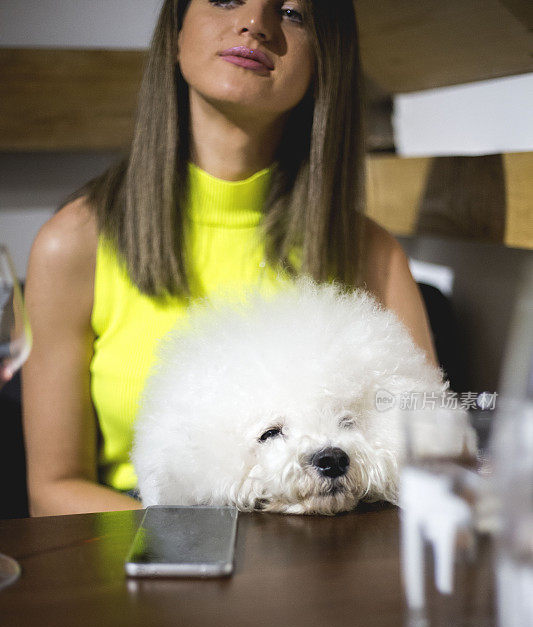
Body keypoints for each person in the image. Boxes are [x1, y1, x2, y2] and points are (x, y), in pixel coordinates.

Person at [23, 0, 437, 517]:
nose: (255, 23)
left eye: (292, 12)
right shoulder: (74, 244)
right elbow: (53, 489)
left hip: (334, 554)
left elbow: (433, 455)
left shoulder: (371, 254)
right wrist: (204, 549)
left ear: (325, 58)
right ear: (175, 31)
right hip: (141, 543)